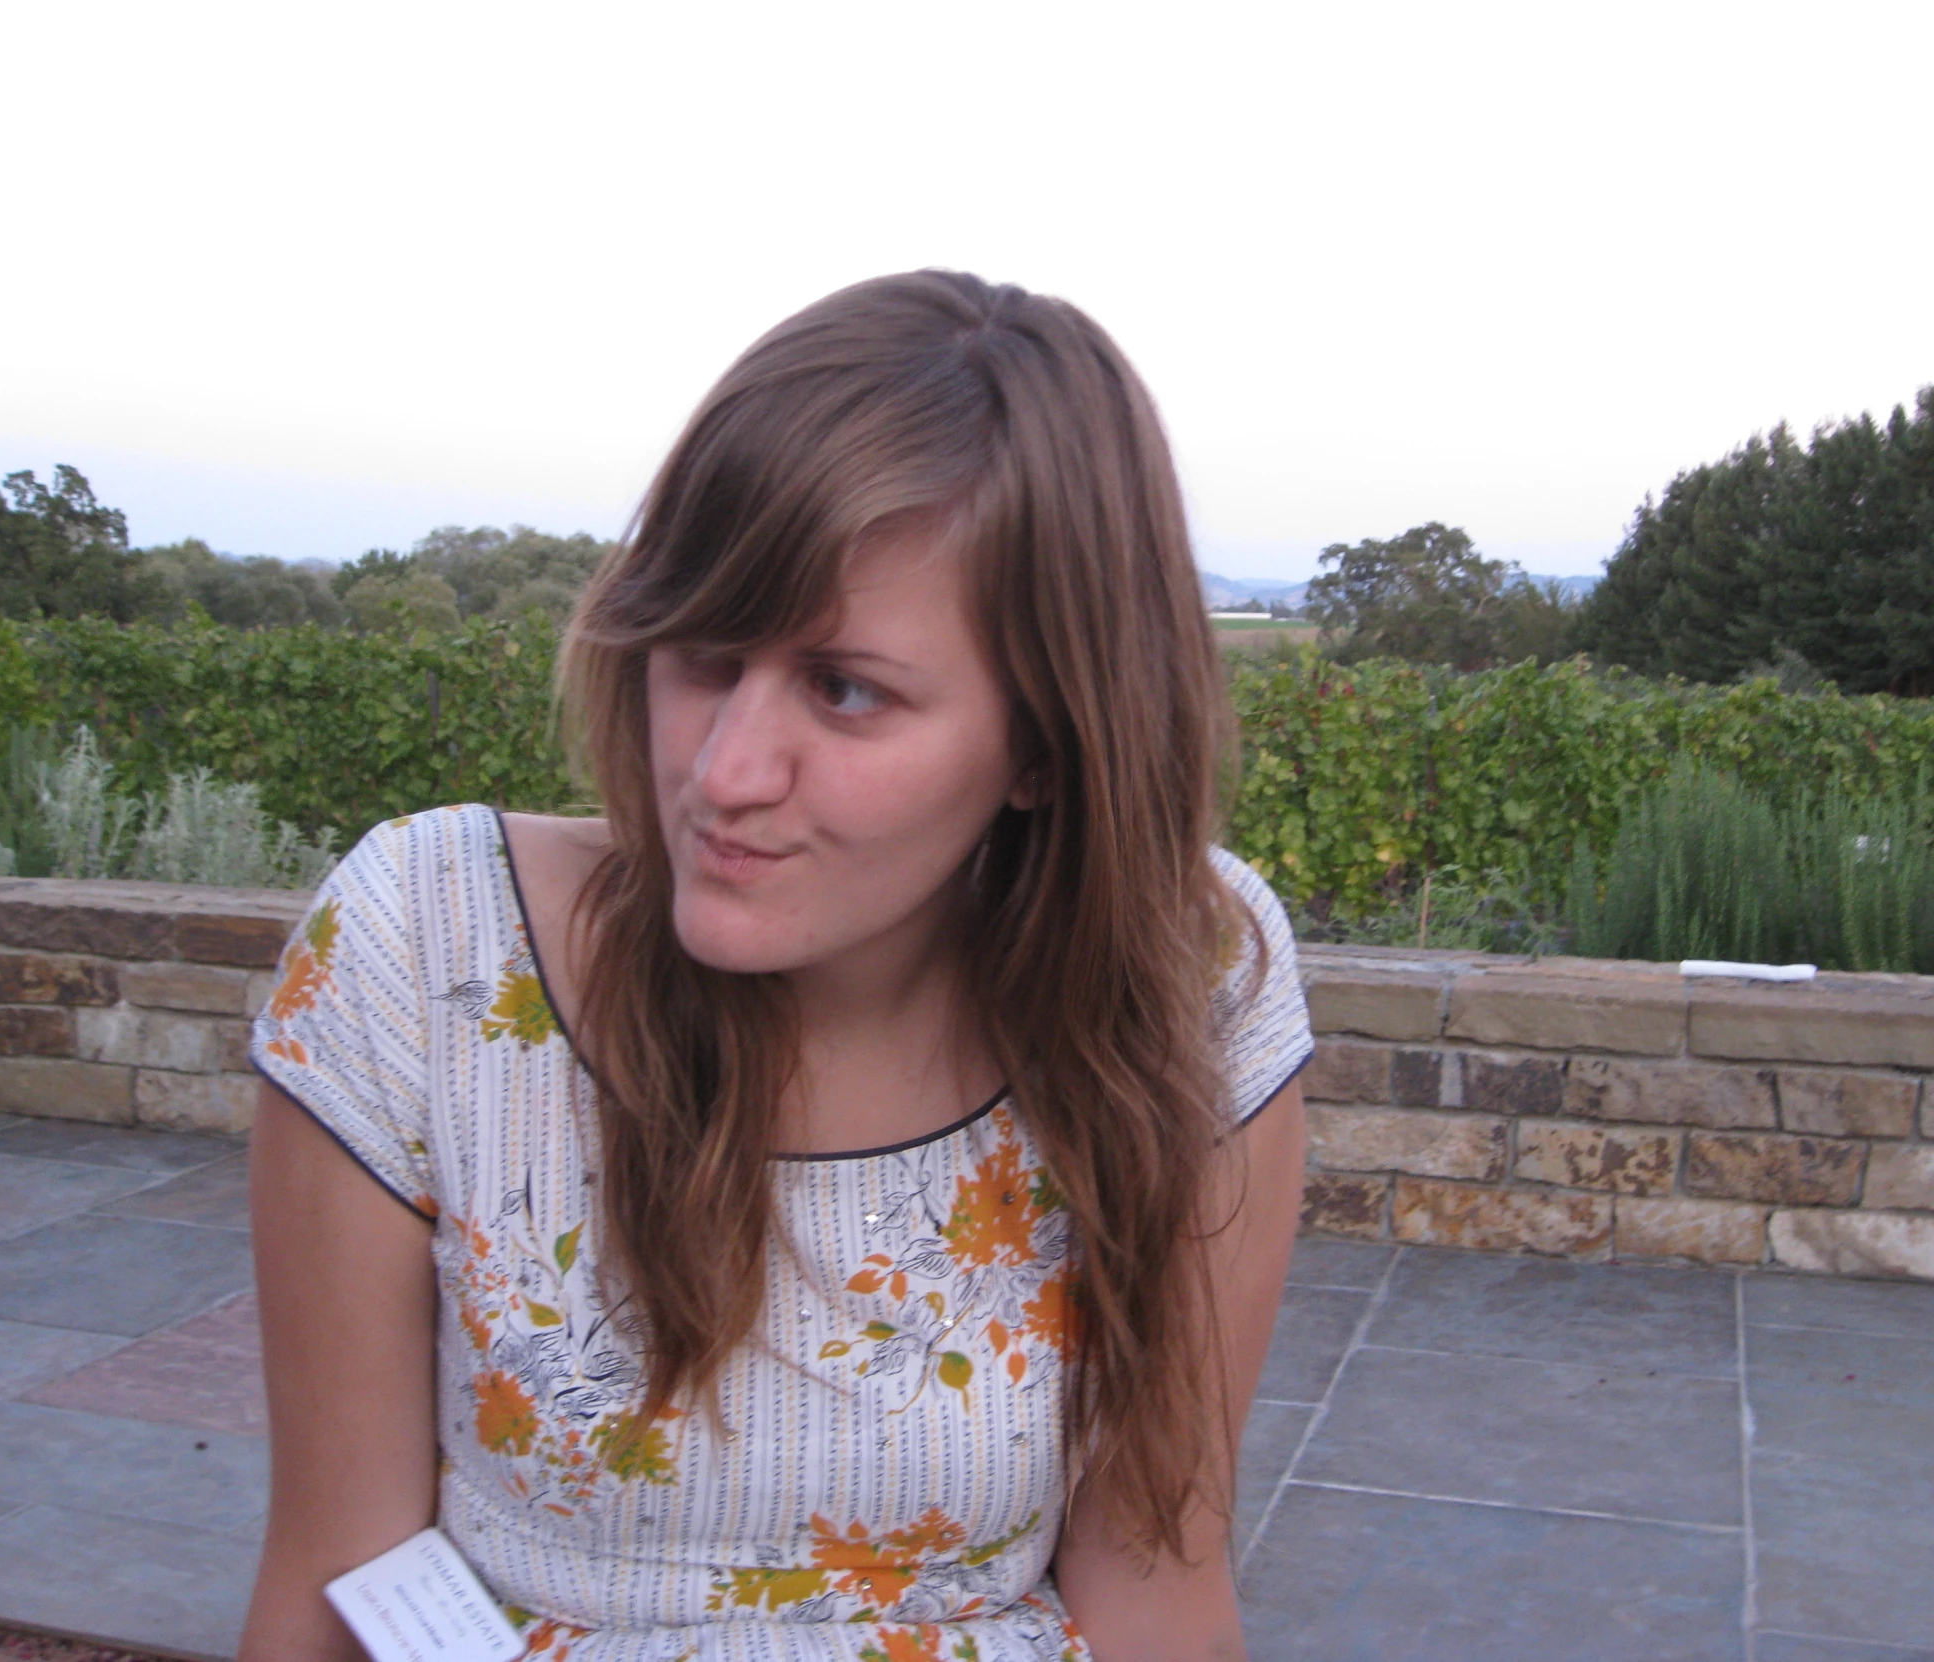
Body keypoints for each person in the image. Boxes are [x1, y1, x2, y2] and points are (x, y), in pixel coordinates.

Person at [240, 270, 1312, 1661]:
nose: (724, 772)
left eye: (846, 687)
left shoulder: (1190, 986)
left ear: (1047, 742)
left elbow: (1159, 1590)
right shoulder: (428, 951)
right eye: (703, 652)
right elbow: (336, 1572)